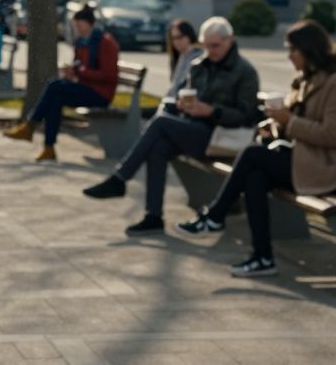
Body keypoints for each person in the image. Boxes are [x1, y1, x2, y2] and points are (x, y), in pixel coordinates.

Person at [178, 20, 336, 277]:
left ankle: (215, 216)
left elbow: (332, 135)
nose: (289, 56)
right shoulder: (305, 79)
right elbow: (294, 125)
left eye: (293, 50)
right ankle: (262, 257)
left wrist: (289, 121)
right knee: (255, 175)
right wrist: (275, 126)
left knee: (253, 154)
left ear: (310, 50)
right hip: (307, 160)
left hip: (331, 167)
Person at [81, 16, 260, 236]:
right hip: (195, 129)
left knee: (161, 123)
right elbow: (186, 97)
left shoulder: (244, 72)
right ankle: (153, 216)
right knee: (159, 147)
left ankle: (120, 178)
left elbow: (246, 115)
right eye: (207, 45)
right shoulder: (199, 66)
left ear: (230, 41)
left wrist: (213, 111)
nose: (211, 51)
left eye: (216, 45)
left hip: (221, 136)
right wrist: (183, 107)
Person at [2, 5, 118, 163]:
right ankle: (48, 148)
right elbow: (80, 67)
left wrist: (80, 72)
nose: (77, 29)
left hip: (101, 93)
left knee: (54, 86)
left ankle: (30, 126)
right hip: (87, 88)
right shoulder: (82, 42)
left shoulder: (104, 42)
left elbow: (108, 75)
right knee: (56, 99)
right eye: (75, 26)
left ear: (89, 23)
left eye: (79, 25)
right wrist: (71, 72)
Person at [163, 19, 204, 107]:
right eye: (173, 38)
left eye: (180, 37)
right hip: (170, 102)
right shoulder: (180, 55)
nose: (177, 41)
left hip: (182, 105)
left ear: (189, 36)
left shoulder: (197, 57)